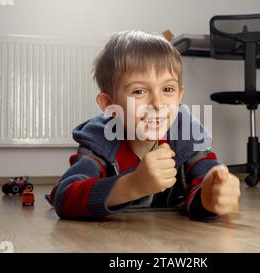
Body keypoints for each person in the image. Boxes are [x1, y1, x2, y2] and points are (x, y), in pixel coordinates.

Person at [46, 30, 240, 220]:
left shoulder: (185, 133)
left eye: (168, 89)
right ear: (109, 105)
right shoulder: (100, 140)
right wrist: (133, 184)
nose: (158, 103)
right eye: (139, 91)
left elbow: (204, 172)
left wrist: (211, 193)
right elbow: (64, 196)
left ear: (179, 95)